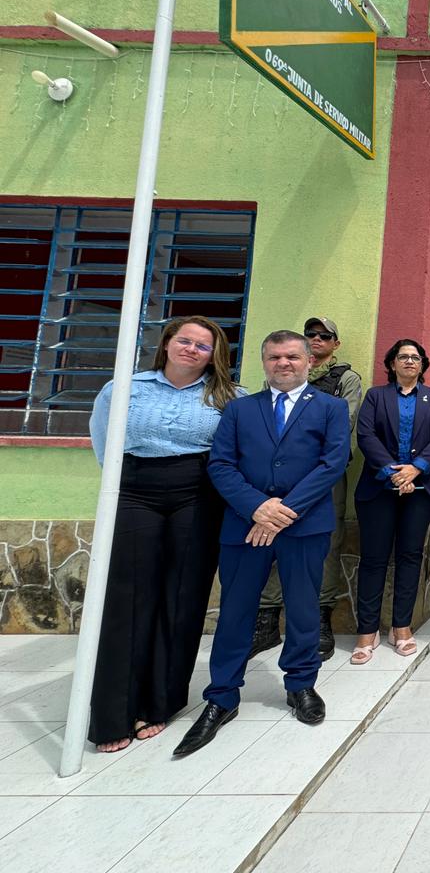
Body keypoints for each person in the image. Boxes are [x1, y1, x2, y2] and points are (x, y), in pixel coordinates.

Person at [175, 330, 349, 757]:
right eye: (274, 357)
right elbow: (221, 464)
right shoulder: (239, 409)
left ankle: (300, 685)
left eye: (292, 356)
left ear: (309, 361)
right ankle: (222, 696)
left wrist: (283, 511)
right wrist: (257, 508)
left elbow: (333, 463)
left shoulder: (331, 407)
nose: (283, 363)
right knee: (236, 611)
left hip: (303, 526)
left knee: (303, 608)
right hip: (245, 525)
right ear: (264, 362)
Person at [86, 316, 240, 753]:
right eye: (184, 340)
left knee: (182, 598)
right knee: (127, 599)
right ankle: (113, 714)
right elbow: (104, 443)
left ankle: (160, 703)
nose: (192, 349)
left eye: (203, 346)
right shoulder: (124, 388)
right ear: (168, 343)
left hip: (198, 495)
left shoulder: (228, 396)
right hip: (136, 492)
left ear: (215, 355)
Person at [251, 316, 362, 663]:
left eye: (324, 335)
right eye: (311, 334)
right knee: (272, 536)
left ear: (335, 343)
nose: (317, 339)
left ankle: (321, 617)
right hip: (278, 475)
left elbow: (343, 426)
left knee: (326, 546)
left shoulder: (345, 379)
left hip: (324, 476)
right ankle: (267, 619)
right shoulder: (283, 375)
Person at [350, 339, 430, 663]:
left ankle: (402, 627)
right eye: (403, 356)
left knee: (410, 557)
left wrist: (415, 469)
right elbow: (366, 435)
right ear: (392, 363)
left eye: (415, 357)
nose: (409, 361)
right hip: (379, 487)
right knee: (373, 559)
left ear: (422, 365)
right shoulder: (376, 396)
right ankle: (367, 631)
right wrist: (393, 472)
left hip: (421, 490)